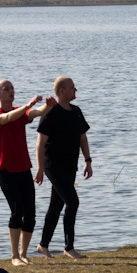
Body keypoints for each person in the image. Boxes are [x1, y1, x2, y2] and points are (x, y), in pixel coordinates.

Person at [0, 80, 56, 266]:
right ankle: (14, 256)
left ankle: (24, 253)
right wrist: (29, 105)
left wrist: (47, 106)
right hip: (4, 170)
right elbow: (8, 118)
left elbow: (36, 113)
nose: (11, 91)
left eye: (12, 88)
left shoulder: (21, 111)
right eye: (6, 89)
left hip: (23, 168)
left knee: (31, 212)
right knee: (17, 210)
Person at [34, 76, 92, 260]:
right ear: (62, 91)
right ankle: (69, 247)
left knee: (56, 205)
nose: (75, 90)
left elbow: (82, 137)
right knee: (72, 202)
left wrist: (88, 161)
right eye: (72, 87)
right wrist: (40, 168)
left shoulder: (76, 111)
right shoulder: (51, 113)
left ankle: (43, 245)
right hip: (53, 165)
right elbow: (40, 143)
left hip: (70, 165)